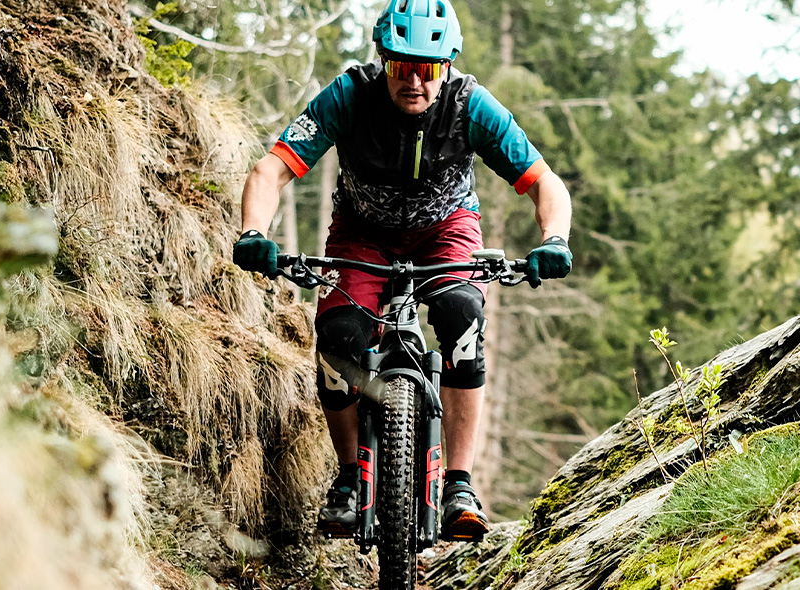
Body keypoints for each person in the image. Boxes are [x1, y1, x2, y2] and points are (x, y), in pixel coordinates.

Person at [229, 0, 572, 543]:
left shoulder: (471, 107)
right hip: (362, 235)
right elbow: (271, 169)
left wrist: (554, 239)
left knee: (462, 317)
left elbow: (544, 182)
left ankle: (458, 482)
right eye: (401, 65)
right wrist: (253, 231)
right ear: (383, 58)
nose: (414, 79)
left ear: (448, 65)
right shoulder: (348, 96)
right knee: (339, 336)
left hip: (445, 230)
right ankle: (348, 476)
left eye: (429, 67)